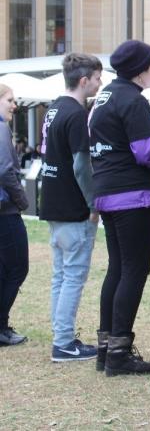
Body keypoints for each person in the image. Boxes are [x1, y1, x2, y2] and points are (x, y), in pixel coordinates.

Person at [89, 40, 150, 376]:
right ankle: (120, 352)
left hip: (107, 192)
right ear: (140, 69)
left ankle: (106, 349)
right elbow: (145, 151)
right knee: (134, 271)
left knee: (117, 268)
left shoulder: (104, 97)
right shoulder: (133, 100)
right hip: (133, 195)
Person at [39, 53, 103, 362]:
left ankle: (61, 335)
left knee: (61, 275)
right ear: (84, 80)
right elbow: (81, 165)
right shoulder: (77, 114)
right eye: (97, 78)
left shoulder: (53, 108)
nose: (99, 83)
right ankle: (64, 342)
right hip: (72, 206)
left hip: (52, 201)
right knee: (73, 275)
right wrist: (94, 202)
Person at [0, 84, 29, 347]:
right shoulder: (1, 128)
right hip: (5, 211)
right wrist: (22, 200)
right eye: (9, 99)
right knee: (18, 266)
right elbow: (5, 170)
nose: (14, 105)